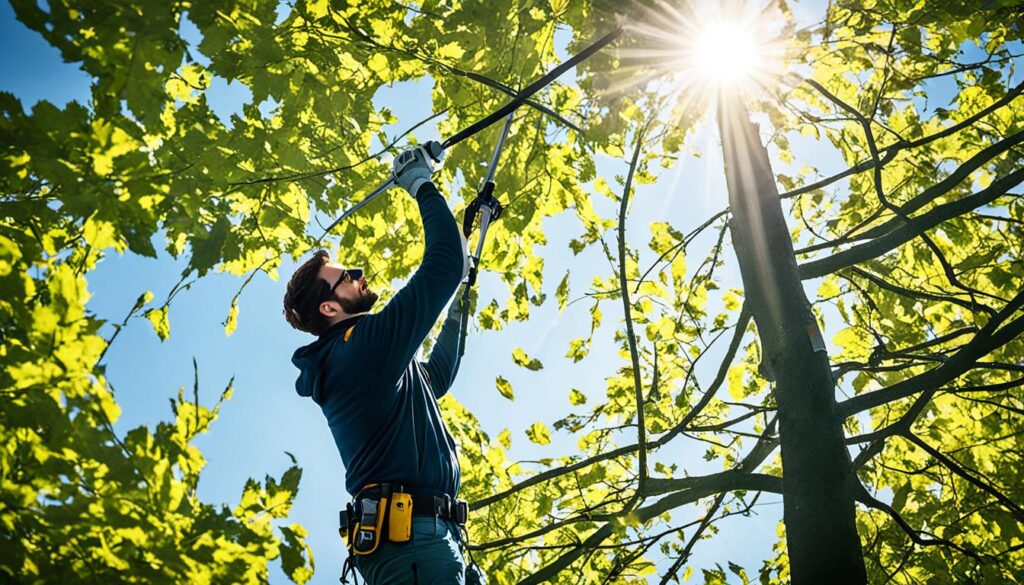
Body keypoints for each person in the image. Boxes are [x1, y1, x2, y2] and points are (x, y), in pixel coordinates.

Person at [282, 143, 480, 584]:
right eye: (344, 277)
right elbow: (442, 267)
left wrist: (462, 301)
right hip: (413, 546)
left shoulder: (366, 359)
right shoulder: (359, 350)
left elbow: (436, 377)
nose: (356, 273)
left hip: (428, 541)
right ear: (330, 309)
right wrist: (420, 183)